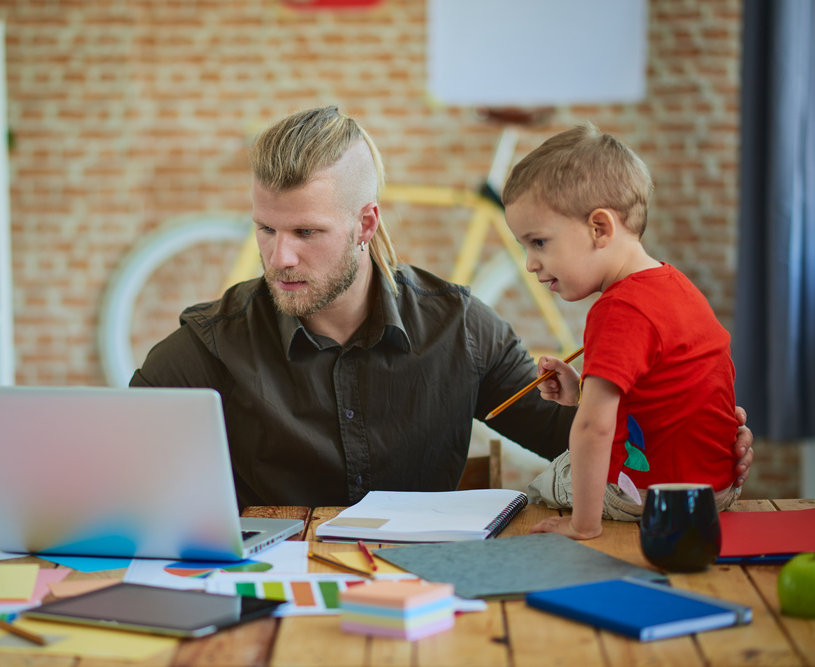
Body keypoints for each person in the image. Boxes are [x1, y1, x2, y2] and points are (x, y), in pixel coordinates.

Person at [130, 106, 754, 509]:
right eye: (266, 229)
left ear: (364, 223)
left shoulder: (462, 329)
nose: (279, 258)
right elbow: (109, 458)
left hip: (431, 607)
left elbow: (574, 433)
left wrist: (683, 433)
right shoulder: (212, 343)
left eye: (306, 233)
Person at [502, 123, 741, 540]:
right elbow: (662, 399)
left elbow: (595, 429)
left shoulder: (618, 309)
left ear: (600, 228)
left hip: (649, 496)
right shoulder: (676, 287)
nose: (530, 263)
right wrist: (582, 392)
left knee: (536, 490)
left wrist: (582, 526)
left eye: (538, 242)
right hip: (716, 491)